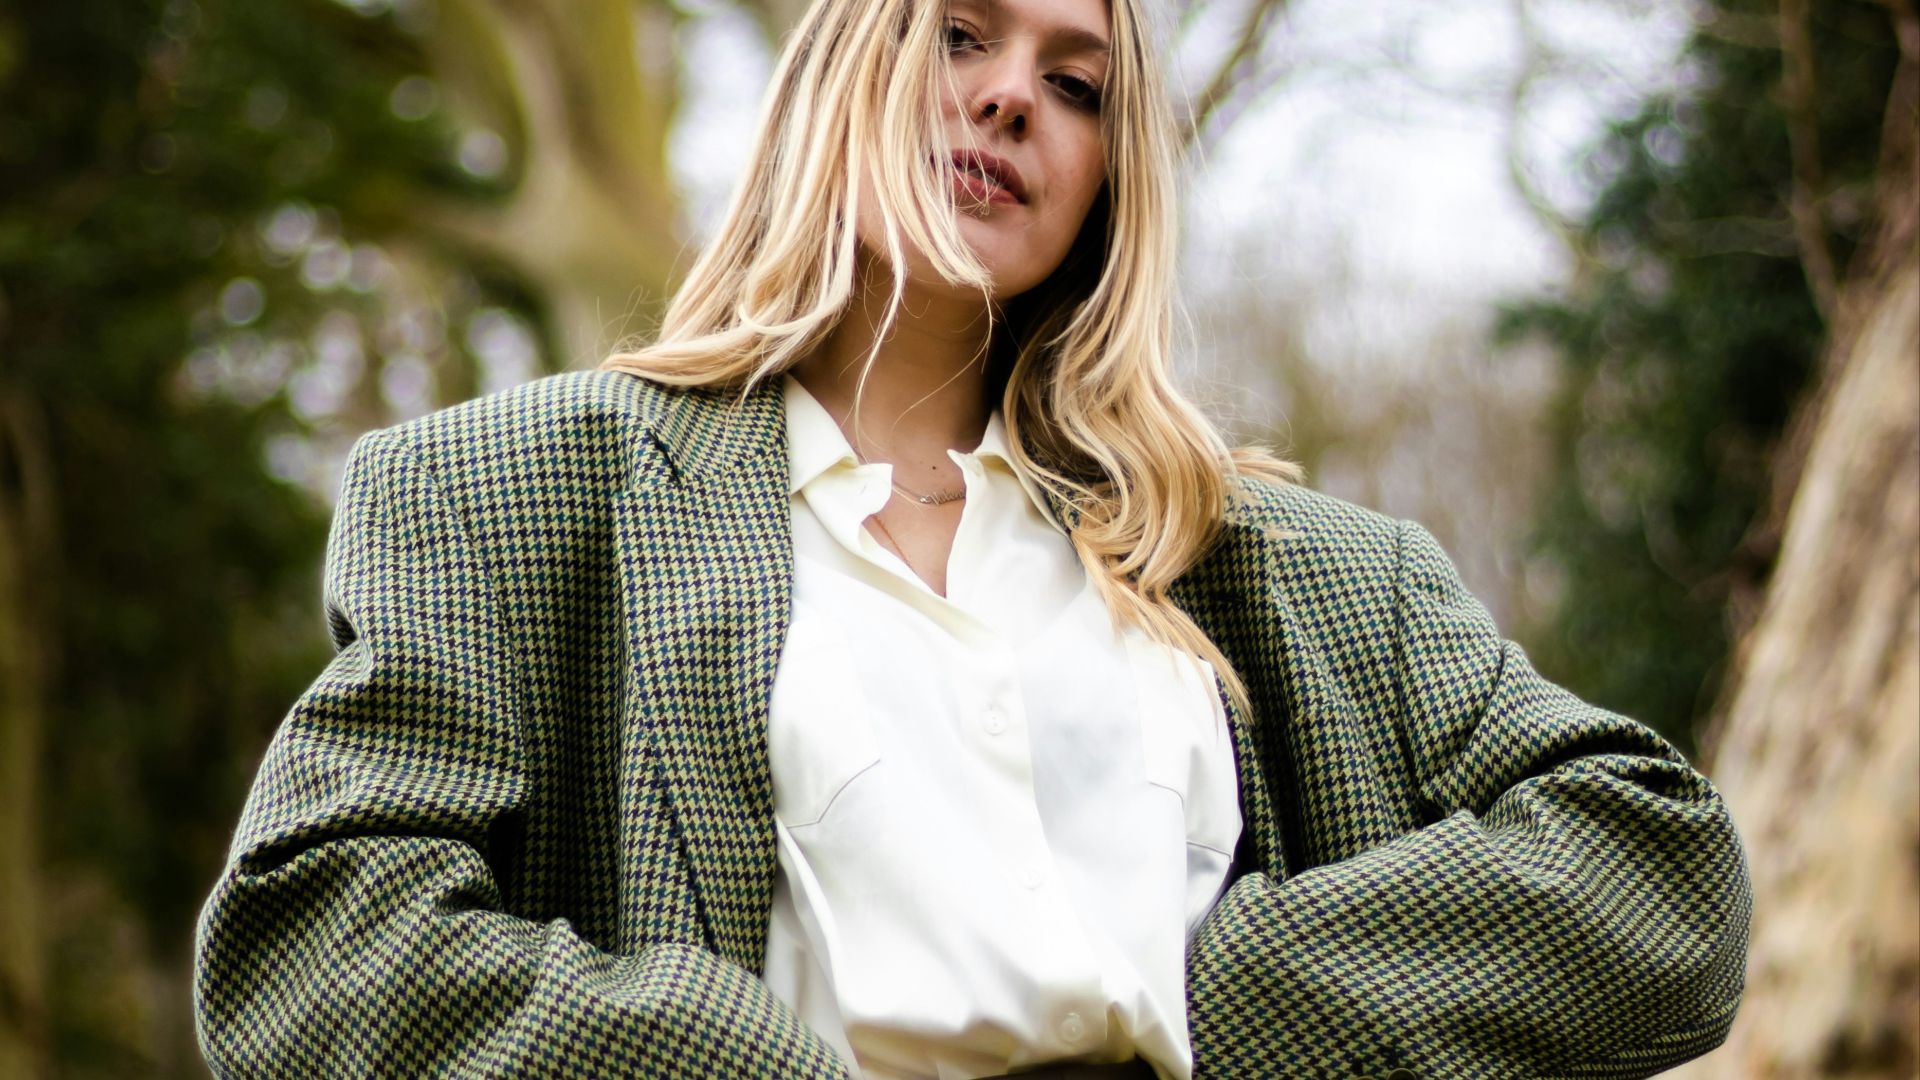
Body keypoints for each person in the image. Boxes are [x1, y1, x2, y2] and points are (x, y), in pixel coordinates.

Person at [190, 0, 1753, 1076]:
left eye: (1078, 86)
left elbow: (1659, 874)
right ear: (844, 66)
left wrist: (1223, 1011)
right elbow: (318, 938)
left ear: (1103, 185)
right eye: (960, 35)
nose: (1013, 96)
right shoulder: (516, 498)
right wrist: (738, 1061)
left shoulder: (1293, 566)